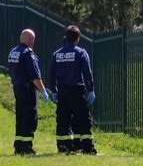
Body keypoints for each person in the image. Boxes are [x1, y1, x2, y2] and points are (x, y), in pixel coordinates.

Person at [49, 25, 97, 154]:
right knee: (82, 119)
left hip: (62, 91)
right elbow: (87, 73)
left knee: (63, 119)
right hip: (76, 90)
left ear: (66, 37)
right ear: (78, 38)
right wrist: (90, 89)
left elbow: (51, 74)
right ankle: (87, 147)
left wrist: (53, 90)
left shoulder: (57, 54)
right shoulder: (80, 53)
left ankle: (63, 146)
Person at [7, 29, 49, 155]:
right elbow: (35, 76)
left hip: (17, 87)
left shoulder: (13, 52)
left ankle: (19, 145)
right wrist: (43, 91)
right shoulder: (28, 53)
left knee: (20, 116)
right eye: (33, 39)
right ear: (30, 39)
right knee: (30, 117)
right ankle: (26, 147)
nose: (34, 42)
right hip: (27, 89)